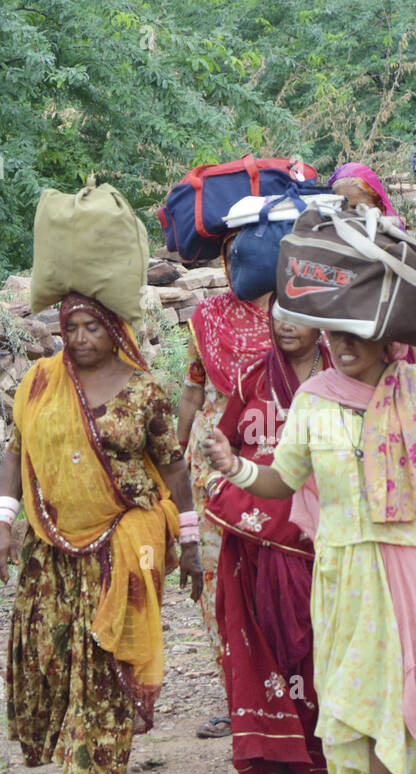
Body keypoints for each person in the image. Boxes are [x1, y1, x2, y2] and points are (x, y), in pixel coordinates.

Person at [202, 331, 416, 774]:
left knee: (389, 696)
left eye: (358, 333)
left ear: (390, 340)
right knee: (346, 693)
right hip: (340, 571)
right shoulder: (313, 398)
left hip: (409, 563)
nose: (342, 342)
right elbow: (284, 480)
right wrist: (235, 467)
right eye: (335, 332)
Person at [0, 292, 203, 774]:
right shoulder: (42, 382)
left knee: (105, 657)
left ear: (115, 330)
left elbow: (174, 470)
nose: (81, 337)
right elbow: (17, 453)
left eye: (93, 327)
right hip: (52, 543)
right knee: (52, 650)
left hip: (124, 541)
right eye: (72, 327)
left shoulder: (144, 391)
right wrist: (2, 524)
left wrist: (192, 541)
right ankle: (73, 745)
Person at [204, 312, 331, 774]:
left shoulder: (340, 377)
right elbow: (226, 441)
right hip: (253, 539)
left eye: (298, 318)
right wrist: (220, 471)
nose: (285, 327)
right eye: (278, 316)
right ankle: (268, 770)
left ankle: (325, 766)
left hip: (318, 537)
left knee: (318, 649)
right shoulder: (252, 379)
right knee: (255, 650)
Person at [178, 238, 273, 739]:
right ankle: (238, 696)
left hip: (281, 453)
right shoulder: (209, 317)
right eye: (231, 252)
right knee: (219, 577)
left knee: (279, 573)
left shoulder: (300, 309)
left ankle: (288, 695)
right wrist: (173, 453)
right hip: (212, 461)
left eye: (249, 250)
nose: (239, 262)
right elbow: (193, 388)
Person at [331, 163, 416, 383]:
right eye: (342, 207)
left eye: (358, 206)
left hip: (395, 376)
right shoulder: (327, 256)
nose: (351, 216)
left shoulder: (403, 257)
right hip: (341, 375)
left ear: (379, 209)